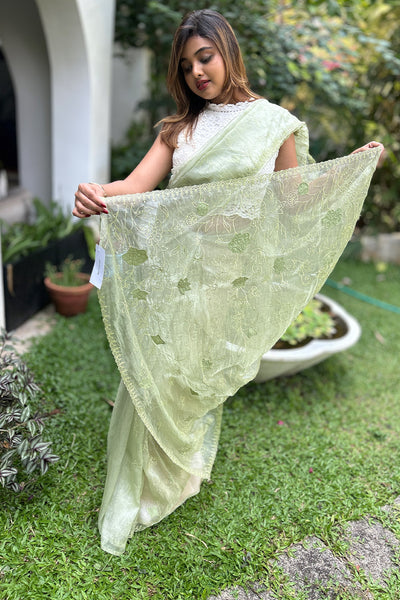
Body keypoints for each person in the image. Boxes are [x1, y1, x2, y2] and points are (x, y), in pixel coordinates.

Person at [73, 10, 384, 555]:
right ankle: (145, 484)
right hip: (175, 270)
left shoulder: (273, 124)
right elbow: (133, 185)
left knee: (194, 378)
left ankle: (180, 472)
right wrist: (96, 191)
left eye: (205, 57)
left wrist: (347, 170)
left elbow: (294, 199)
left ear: (228, 53)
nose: (197, 72)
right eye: (186, 65)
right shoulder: (178, 130)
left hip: (228, 277)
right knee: (156, 374)